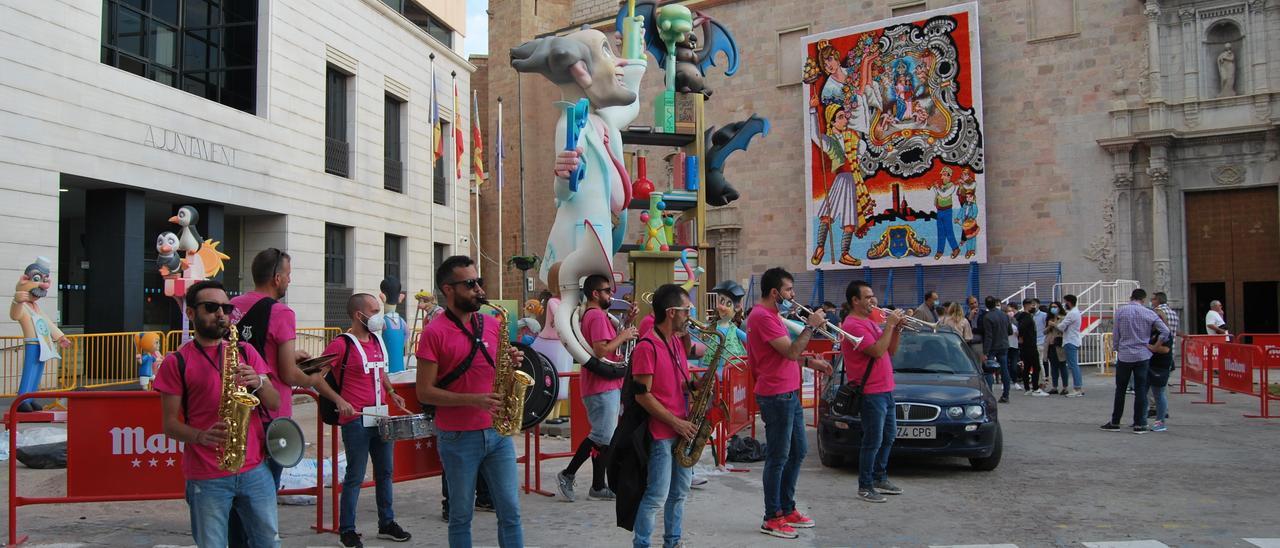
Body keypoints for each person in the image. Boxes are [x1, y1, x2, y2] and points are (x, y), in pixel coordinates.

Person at [155, 279, 281, 548]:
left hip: (254, 470)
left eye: (225, 307)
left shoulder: (245, 351)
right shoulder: (176, 362)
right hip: (207, 475)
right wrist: (200, 436)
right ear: (191, 313)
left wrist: (257, 382)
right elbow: (169, 425)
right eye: (211, 307)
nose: (221, 314)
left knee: (268, 543)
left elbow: (274, 402)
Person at [415, 255, 523, 547]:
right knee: (461, 515)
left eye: (479, 282)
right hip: (458, 436)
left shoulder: (490, 323)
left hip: (498, 433)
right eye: (470, 284)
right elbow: (424, 392)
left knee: (511, 512)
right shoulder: (433, 333)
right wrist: (473, 400)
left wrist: (512, 362)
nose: (479, 289)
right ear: (449, 289)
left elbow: (498, 371)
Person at [316, 294, 412, 547]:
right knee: (355, 475)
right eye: (374, 310)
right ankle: (347, 529)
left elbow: (381, 373)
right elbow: (316, 377)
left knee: (385, 473)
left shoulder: (378, 342)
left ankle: (387, 523)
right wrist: (338, 400)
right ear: (359, 315)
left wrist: (393, 393)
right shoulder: (341, 344)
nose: (379, 315)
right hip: (356, 420)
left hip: (380, 417)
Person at [230, 248, 328, 489]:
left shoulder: (232, 306)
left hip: (235, 407)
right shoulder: (281, 312)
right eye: (288, 274)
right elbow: (287, 373)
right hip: (269, 412)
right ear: (277, 278)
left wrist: (289, 355)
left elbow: (250, 348)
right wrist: (313, 378)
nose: (289, 280)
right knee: (263, 490)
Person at [746, 268, 832, 539]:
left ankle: (787, 507)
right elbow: (791, 350)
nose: (793, 296)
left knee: (798, 452)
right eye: (789, 291)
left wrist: (811, 362)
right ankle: (772, 516)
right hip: (776, 395)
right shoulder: (762, 316)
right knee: (778, 457)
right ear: (775, 293)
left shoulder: (772, 315)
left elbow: (784, 354)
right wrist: (811, 326)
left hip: (788, 392)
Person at [629, 283, 698, 548]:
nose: (689, 315)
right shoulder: (647, 346)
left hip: (682, 429)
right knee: (657, 496)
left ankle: (673, 542)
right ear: (671, 312)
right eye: (686, 310)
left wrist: (694, 387)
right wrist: (676, 422)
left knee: (680, 493)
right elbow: (642, 395)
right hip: (662, 433)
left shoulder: (675, 342)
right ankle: (642, 544)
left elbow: (678, 382)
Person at [558, 274, 637, 502]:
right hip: (602, 386)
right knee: (601, 435)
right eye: (607, 291)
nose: (611, 295)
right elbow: (602, 350)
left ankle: (598, 486)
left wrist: (626, 325)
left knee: (604, 437)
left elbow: (608, 346)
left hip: (604, 385)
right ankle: (568, 474)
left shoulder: (597, 316)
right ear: (595, 293)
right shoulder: (597, 316)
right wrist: (624, 335)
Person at [842, 281, 907, 503]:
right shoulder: (852, 325)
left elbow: (891, 350)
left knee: (889, 436)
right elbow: (877, 351)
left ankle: (880, 477)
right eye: (868, 297)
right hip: (871, 391)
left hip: (886, 388)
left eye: (873, 296)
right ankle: (865, 485)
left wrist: (896, 329)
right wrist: (889, 325)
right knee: (873, 439)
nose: (873, 300)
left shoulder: (869, 321)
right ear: (855, 301)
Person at [1101, 289, 1169, 434]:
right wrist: (1154, 347)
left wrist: (1117, 348)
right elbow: (1165, 331)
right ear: (1143, 299)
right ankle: (1140, 423)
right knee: (1141, 390)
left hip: (1125, 355)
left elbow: (1116, 333)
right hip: (1142, 355)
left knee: (1120, 390)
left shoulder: (1121, 311)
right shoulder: (1148, 312)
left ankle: (1115, 421)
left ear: (1131, 297)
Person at [980, 296, 1013, 403]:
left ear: (986, 305)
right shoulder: (1004, 315)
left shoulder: (987, 317)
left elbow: (989, 336)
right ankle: (1006, 394)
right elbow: (1010, 331)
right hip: (1004, 345)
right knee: (1004, 369)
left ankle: (990, 395)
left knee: (989, 370)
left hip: (992, 346)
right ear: (995, 303)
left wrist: (985, 351)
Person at [379, 278, 411, 373]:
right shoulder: (401, 321)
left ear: (382, 296)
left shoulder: (383, 321)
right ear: (400, 298)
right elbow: (407, 333)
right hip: (399, 366)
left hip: (385, 369)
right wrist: (400, 343)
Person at [1147, 322, 1174, 432]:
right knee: (1143, 392)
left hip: (1160, 366)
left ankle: (1160, 421)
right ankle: (1141, 419)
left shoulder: (1164, 333)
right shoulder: (1150, 332)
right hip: (1149, 364)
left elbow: (1165, 349)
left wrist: (1150, 347)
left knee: (1158, 393)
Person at [1016, 299, 1047, 396]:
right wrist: (1021, 336)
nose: (1033, 307)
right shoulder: (1027, 317)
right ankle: (1035, 388)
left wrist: (1021, 337)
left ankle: (1027, 388)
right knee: (1036, 367)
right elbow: (1021, 329)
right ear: (1026, 305)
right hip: (1030, 345)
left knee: (1027, 367)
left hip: (1026, 346)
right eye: (1031, 305)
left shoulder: (1022, 317)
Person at [1060, 294, 1085, 397]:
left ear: (1069, 302)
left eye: (1065, 302)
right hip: (1073, 340)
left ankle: (1077, 388)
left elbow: (1061, 327)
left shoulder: (1072, 313)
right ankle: (1078, 387)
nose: (1064, 304)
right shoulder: (1075, 312)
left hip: (1070, 341)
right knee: (1074, 365)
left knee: (1073, 365)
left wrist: (1053, 324)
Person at [1044, 303, 1067, 394]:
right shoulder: (1049, 318)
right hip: (1050, 345)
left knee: (1062, 366)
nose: (1053, 309)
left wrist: (1054, 324)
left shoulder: (1063, 317)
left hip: (1059, 344)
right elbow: (1044, 332)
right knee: (1053, 367)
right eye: (1052, 307)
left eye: (1055, 307)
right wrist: (1049, 326)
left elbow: (1063, 329)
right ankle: (1054, 387)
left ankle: (1065, 387)